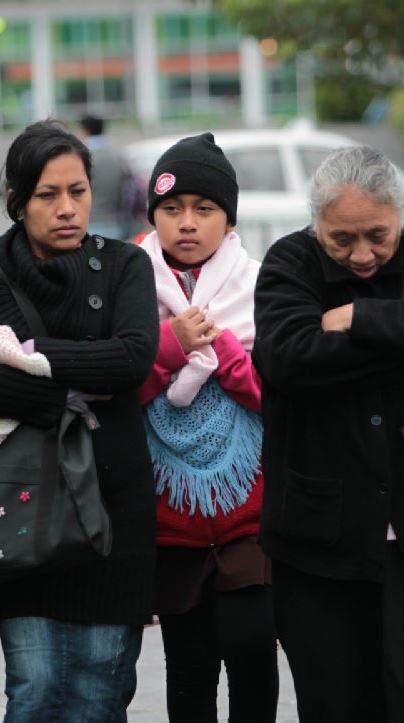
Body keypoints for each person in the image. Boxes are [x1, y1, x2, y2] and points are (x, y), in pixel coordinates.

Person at [252, 145, 404, 722]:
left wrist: (357, 319)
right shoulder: (289, 263)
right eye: (341, 239)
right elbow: (289, 358)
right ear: (316, 227)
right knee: (334, 706)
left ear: (400, 217)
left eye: (377, 236)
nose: (362, 256)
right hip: (317, 545)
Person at [0, 120, 159, 721]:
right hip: (21, 507)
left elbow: (132, 359)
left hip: (111, 510)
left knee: (98, 692)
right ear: (17, 200)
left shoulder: (125, 266)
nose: (67, 209)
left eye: (78, 191)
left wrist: (28, 355)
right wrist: (74, 393)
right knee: (35, 688)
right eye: (47, 195)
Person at [137, 133, 278, 722]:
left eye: (205, 209)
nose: (187, 223)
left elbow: (278, 397)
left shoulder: (260, 286)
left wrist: (221, 352)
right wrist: (171, 346)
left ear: (229, 218)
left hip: (250, 516)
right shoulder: (129, 284)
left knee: (252, 660)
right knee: (189, 672)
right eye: (172, 209)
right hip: (171, 523)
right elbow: (119, 391)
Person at [77, 114, 138, 241]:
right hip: (116, 224)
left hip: (88, 223)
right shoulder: (118, 157)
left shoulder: (81, 159)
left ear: (85, 131)